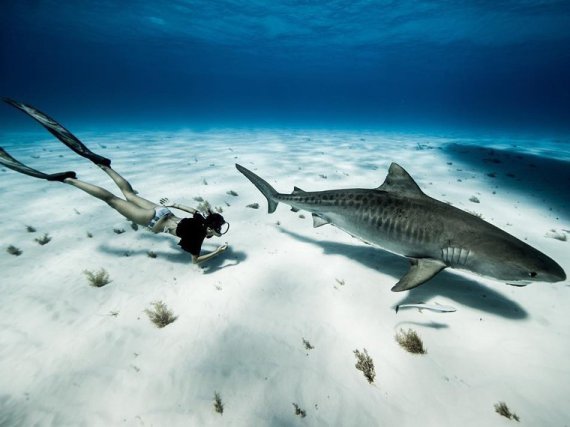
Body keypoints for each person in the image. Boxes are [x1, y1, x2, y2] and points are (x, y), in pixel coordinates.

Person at [0, 98, 229, 264]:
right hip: (152, 221)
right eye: (217, 230)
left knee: (128, 194)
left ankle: (105, 165)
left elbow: (190, 208)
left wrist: (173, 204)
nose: (218, 233)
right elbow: (195, 262)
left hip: (162, 210)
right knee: (110, 199)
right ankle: (70, 180)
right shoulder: (198, 236)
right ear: (211, 228)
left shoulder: (200, 219)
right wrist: (218, 251)